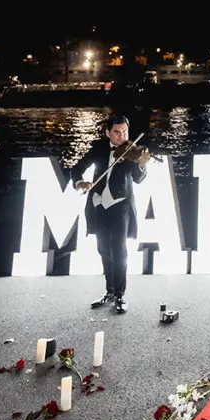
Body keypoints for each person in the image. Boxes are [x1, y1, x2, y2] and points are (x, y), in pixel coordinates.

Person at [70, 113, 150, 313]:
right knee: (103, 250)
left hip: (120, 207)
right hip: (98, 206)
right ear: (107, 132)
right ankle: (110, 291)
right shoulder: (98, 148)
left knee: (119, 251)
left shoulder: (132, 152)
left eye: (124, 131)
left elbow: (138, 179)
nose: (121, 136)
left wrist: (141, 163)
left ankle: (120, 295)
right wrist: (80, 183)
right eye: (116, 132)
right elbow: (77, 168)